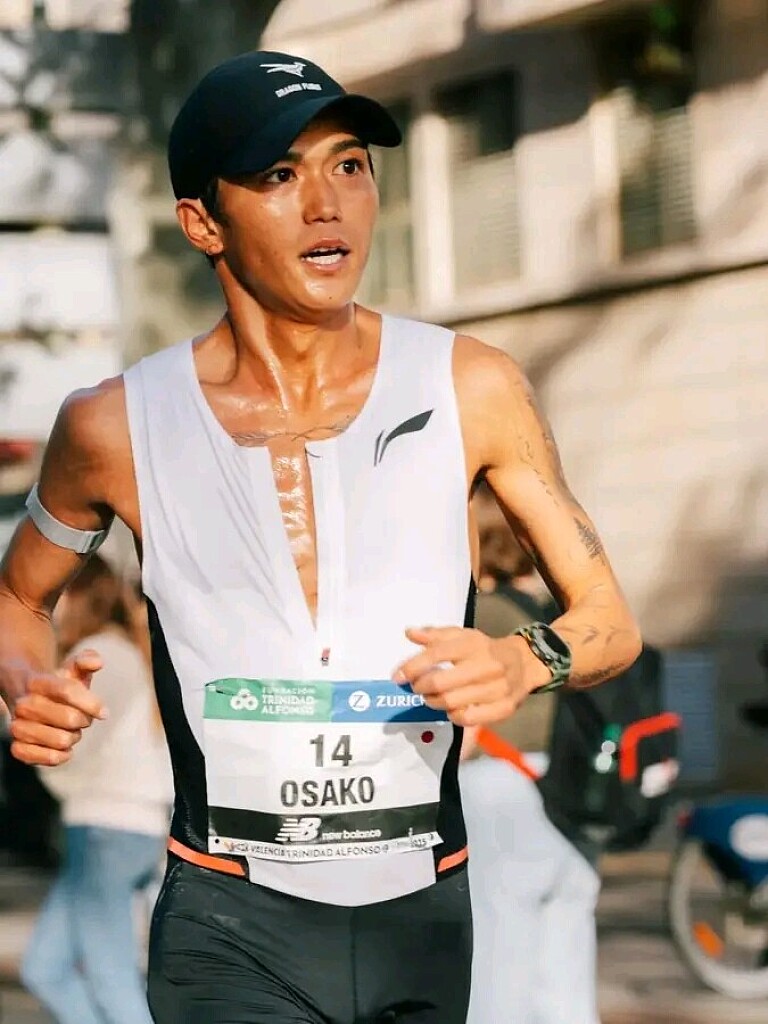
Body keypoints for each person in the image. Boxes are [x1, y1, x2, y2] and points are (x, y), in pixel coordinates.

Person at [0, 49, 642, 1024]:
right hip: (226, 921)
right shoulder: (112, 425)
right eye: (278, 174)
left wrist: (524, 661)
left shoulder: (472, 385)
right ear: (202, 223)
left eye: (349, 165)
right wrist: (24, 682)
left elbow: (610, 621)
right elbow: (18, 596)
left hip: (422, 914)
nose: (327, 202)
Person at [460, 487, 603, 1024]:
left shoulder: (482, 615)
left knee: (499, 947)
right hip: (577, 782)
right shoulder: (566, 616)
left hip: (503, 782)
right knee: (567, 948)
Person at [19, 555, 172, 1024]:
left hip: (110, 828)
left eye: (57, 593)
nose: (50, 606)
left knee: (110, 975)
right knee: (45, 968)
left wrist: (34, 747)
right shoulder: (119, 650)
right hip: (116, 827)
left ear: (78, 594)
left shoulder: (100, 657)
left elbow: (77, 749)